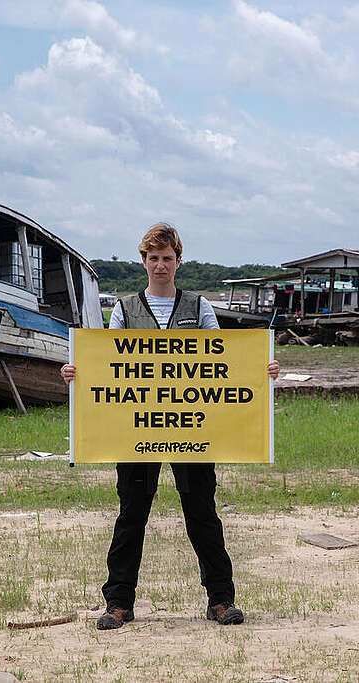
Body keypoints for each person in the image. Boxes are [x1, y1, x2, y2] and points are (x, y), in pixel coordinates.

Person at [61, 222, 280, 629]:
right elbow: (108, 366)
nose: (160, 265)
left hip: (191, 430)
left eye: (167, 258)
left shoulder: (200, 308)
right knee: (131, 515)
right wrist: (78, 372)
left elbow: (224, 364)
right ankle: (119, 603)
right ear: (143, 261)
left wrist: (260, 369)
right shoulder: (124, 311)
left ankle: (221, 600)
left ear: (178, 261)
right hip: (137, 430)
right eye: (153, 258)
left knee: (202, 513)